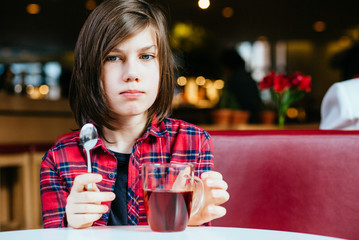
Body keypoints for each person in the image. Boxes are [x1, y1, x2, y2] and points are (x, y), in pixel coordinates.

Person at [40, 0, 229, 229]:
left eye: (146, 56)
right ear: (90, 69)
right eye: (113, 57)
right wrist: (70, 225)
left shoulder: (192, 141)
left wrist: (194, 220)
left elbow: (198, 228)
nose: (132, 73)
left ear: (162, 67)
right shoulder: (58, 159)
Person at [221, 48, 262, 123]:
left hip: (242, 120)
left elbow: (230, 105)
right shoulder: (247, 77)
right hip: (253, 119)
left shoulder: (235, 79)